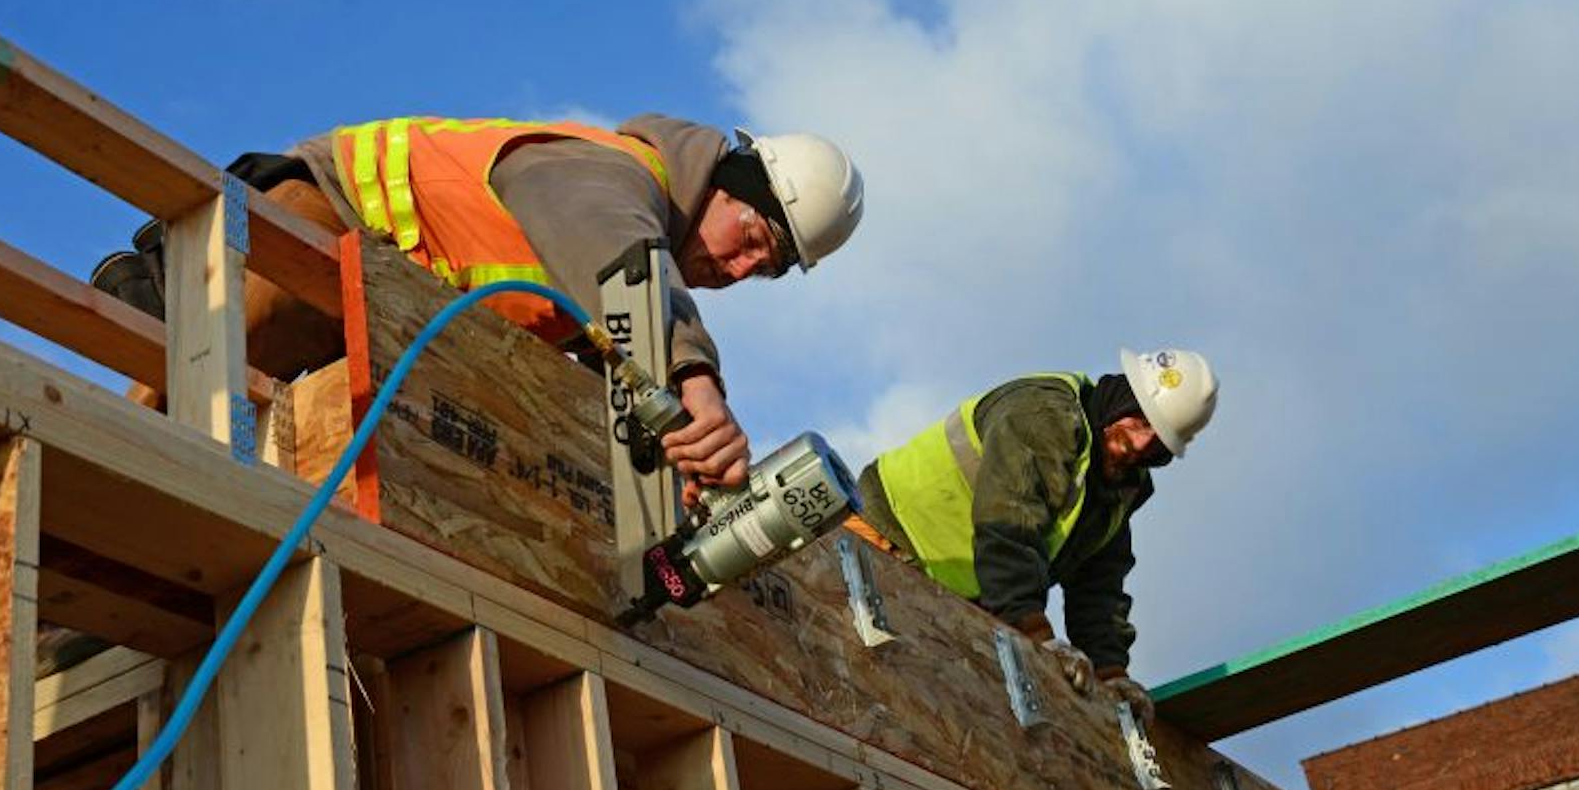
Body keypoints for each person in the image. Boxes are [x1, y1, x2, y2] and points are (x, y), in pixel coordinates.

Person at [92, 115, 863, 496]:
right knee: (183, 430)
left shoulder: (607, 297)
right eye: (752, 234)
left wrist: (674, 461)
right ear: (725, 182)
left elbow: (616, 357)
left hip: (374, 315)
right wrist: (696, 381)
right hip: (313, 222)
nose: (740, 265)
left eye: (766, 268)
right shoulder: (616, 176)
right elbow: (620, 250)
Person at [852, 348, 1217, 714]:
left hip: (949, 592)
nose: (1140, 445)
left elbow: (1099, 583)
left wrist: (1111, 672)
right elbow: (1009, 524)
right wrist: (1034, 637)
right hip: (883, 538)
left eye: (1157, 443)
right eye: (1140, 423)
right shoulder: (1044, 415)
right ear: (1124, 400)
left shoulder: (1121, 485)